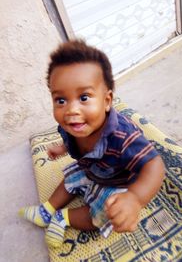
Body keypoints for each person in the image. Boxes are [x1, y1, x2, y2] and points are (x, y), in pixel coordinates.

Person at [19, 39, 165, 248]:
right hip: (93, 168)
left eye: (84, 97)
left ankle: (63, 217)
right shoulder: (71, 125)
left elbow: (155, 165)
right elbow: (69, 139)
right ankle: (46, 210)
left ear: (107, 101)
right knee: (70, 177)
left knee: (104, 214)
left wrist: (135, 198)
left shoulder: (123, 136)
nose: (71, 110)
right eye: (61, 100)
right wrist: (62, 148)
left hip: (119, 180)